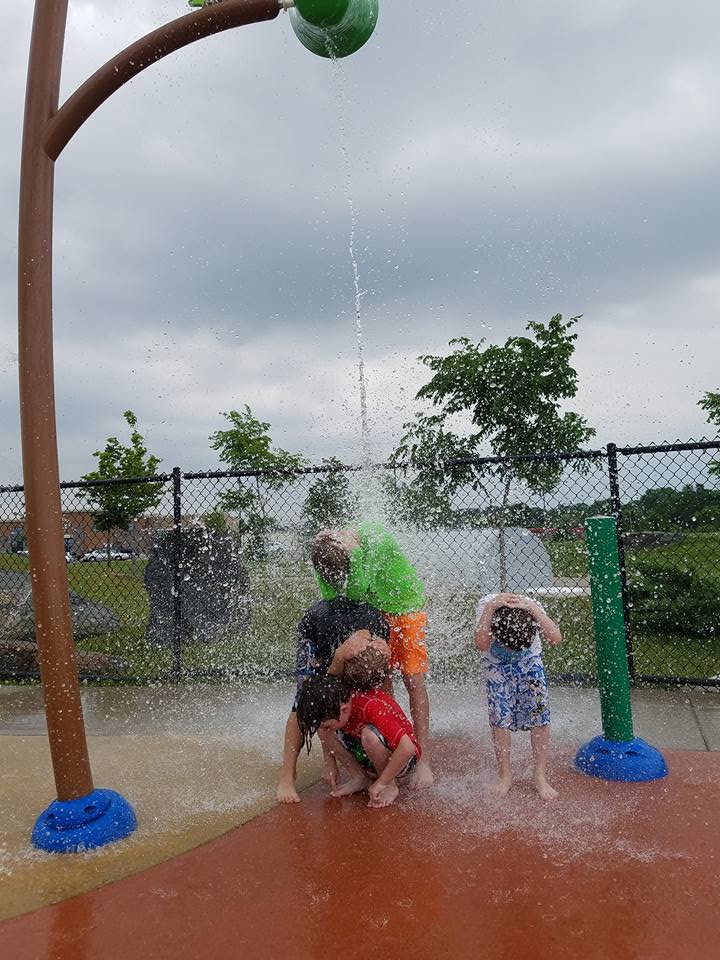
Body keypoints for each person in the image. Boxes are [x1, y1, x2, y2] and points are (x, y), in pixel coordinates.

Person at [311, 524, 434, 788]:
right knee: (381, 679)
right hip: (378, 612)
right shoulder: (338, 548)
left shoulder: (377, 540)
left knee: (413, 680)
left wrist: (355, 555)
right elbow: (331, 595)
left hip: (406, 608)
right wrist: (317, 552)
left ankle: (422, 760)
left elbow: (356, 591)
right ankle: (390, 746)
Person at [277, 596, 390, 804]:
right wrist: (330, 764)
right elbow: (325, 697)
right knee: (305, 702)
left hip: (356, 629)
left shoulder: (381, 643)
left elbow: (385, 700)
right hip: (317, 632)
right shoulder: (339, 654)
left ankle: (360, 771)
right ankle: (287, 777)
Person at [474, 592, 562, 800]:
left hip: (530, 664)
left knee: (540, 717)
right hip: (496, 666)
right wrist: (489, 609)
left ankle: (539, 775)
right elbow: (481, 644)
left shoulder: (532, 608)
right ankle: (505, 775)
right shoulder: (487, 606)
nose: (513, 651)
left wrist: (534, 610)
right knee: (499, 718)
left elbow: (556, 638)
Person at [296, 673, 421, 809]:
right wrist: (330, 764)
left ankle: (390, 785)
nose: (325, 729)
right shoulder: (339, 706)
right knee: (323, 731)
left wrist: (382, 783)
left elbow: (408, 748)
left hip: (405, 761)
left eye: (327, 724)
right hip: (372, 750)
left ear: (344, 709)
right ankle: (359, 777)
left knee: (369, 736)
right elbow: (325, 729)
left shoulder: (371, 706)